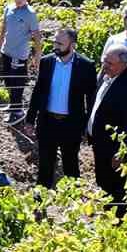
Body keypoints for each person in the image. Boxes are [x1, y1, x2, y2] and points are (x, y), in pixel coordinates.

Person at [25, 27, 97, 188]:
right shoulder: (47, 62)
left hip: (71, 124)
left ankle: (73, 203)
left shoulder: (86, 66)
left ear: (72, 45)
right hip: (47, 122)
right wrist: (30, 119)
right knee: (45, 164)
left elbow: (91, 99)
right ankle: (40, 202)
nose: (55, 46)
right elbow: (38, 92)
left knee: (71, 164)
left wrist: (88, 126)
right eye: (54, 42)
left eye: (60, 43)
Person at [87, 44, 127, 207]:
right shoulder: (105, 75)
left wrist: (121, 154)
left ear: (123, 64)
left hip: (114, 152)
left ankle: (117, 224)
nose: (105, 66)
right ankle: (106, 219)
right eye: (104, 61)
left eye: (110, 63)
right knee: (103, 184)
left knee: (116, 191)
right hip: (99, 143)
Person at [0, 0, 42, 125]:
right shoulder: (9, 8)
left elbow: (36, 36)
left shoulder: (30, 14)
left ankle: (17, 112)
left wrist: (37, 56)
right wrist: (0, 45)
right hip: (7, 51)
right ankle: (13, 105)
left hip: (19, 54)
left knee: (17, 82)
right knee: (8, 79)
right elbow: (4, 27)